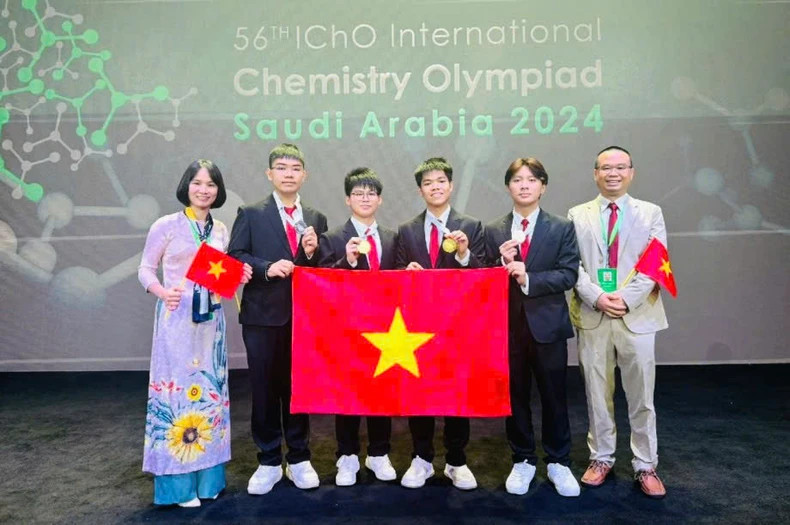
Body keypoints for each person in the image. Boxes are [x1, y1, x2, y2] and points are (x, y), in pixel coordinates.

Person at [138, 159, 252, 507]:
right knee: (176, 397)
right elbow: (145, 268)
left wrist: (239, 276)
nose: (204, 190)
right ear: (186, 186)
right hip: (176, 320)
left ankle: (208, 481)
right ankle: (179, 487)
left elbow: (219, 276)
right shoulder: (166, 225)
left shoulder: (219, 229)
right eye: (198, 183)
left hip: (211, 323)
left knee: (210, 395)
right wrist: (161, 292)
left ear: (219, 191)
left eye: (211, 184)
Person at [568, 146, 669, 499]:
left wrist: (625, 299)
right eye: (606, 168)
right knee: (597, 394)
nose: (613, 173)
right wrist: (597, 296)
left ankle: (646, 464)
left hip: (637, 316)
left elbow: (656, 264)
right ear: (595, 173)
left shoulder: (651, 213)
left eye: (620, 167)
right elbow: (572, 266)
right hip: (594, 315)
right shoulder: (577, 214)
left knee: (642, 397)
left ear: (631, 172)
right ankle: (601, 458)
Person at [227, 143, 328, 495]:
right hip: (262, 318)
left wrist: (312, 254)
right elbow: (235, 256)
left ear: (305, 175)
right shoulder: (251, 212)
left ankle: (299, 457)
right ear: (270, 174)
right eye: (281, 168)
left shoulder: (315, 217)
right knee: (265, 391)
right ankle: (268, 460)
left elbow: (320, 272)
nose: (289, 174)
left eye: (295, 168)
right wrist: (266, 268)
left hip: (303, 319)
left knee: (298, 390)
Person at [484, 157, 580, 497]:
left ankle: (559, 461)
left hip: (548, 327)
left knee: (555, 397)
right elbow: (480, 278)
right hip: (507, 328)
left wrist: (529, 278)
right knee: (516, 397)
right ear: (508, 186)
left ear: (543, 186)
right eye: (517, 180)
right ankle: (522, 459)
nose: (524, 185)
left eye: (532, 179)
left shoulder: (561, 227)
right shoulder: (493, 229)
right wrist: (500, 264)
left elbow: (568, 274)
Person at [394, 157, 486, 490]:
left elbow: (484, 276)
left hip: (458, 326)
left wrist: (463, 254)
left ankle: (456, 461)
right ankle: (421, 459)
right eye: (428, 183)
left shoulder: (473, 227)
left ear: (451, 185)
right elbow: (395, 275)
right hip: (417, 327)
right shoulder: (406, 229)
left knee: (456, 395)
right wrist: (407, 275)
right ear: (421, 191)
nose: (435, 187)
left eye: (441, 181)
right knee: (420, 395)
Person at [318, 167, 398, 487]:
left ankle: (379, 453)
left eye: (371, 193)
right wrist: (347, 263)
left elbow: (402, 279)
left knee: (381, 393)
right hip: (346, 330)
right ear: (347, 199)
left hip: (386, 329)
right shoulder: (332, 238)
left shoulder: (393, 237)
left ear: (379, 200)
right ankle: (347, 455)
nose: (365, 198)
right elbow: (321, 282)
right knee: (347, 394)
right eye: (358, 193)